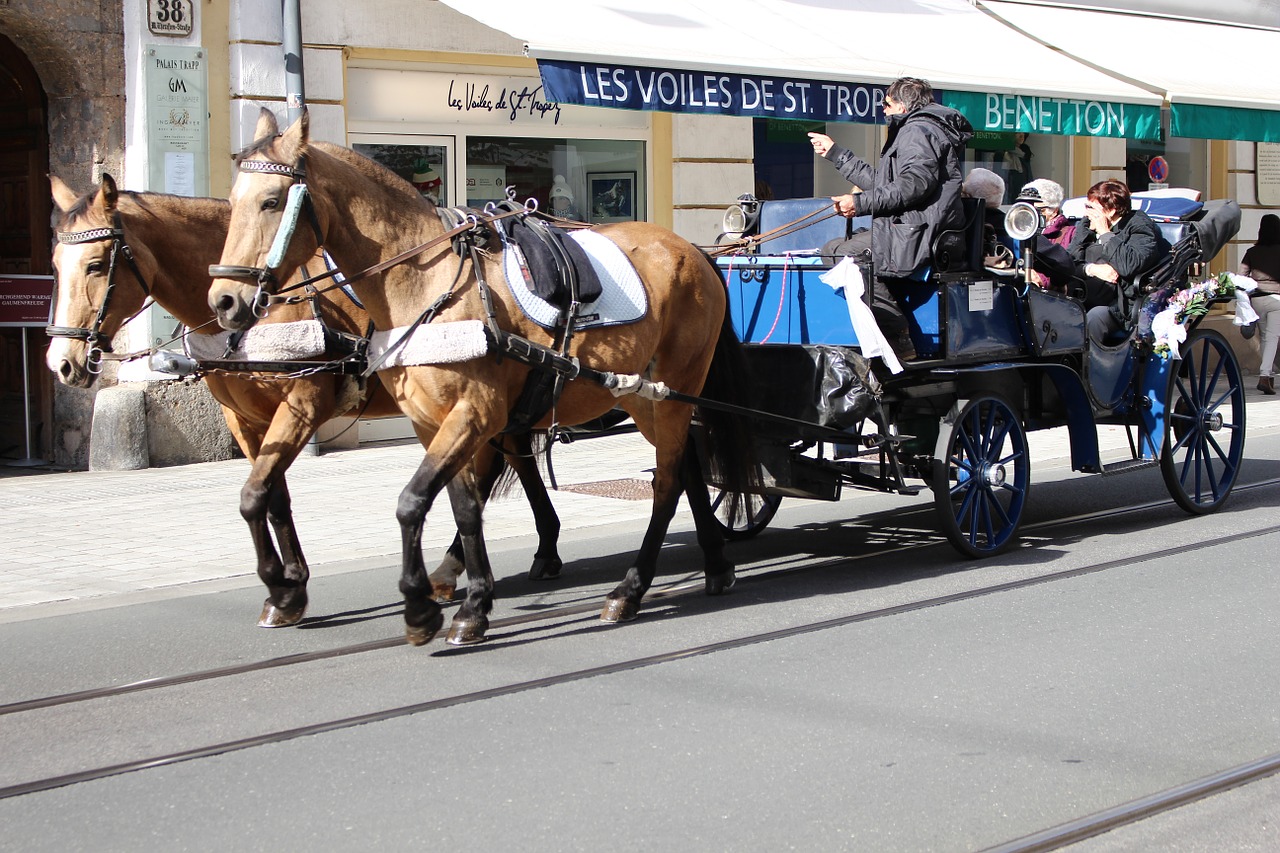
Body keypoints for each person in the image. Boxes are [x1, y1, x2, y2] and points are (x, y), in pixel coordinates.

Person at [808, 76, 973, 360]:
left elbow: (914, 185)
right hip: (911, 228)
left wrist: (858, 203)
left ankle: (897, 334)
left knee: (845, 255)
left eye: (886, 103)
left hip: (918, 233)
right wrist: (836, 154)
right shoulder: (918, 130)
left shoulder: (917, 131)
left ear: (902, 105)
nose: (883, 109)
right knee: (834, 249)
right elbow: (883, 184)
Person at [1067, 179, 1169, 345]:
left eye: (1091, 208)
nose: (1087, 213)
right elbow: (1068, 262)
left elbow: (1129, 265)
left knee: (1092, 320)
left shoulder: (1138, 225)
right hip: (1083, 296)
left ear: (1111, 210)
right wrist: (1091, 269)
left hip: (1119, 307)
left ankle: (1091, 369)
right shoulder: (1086, 226)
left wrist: (1105, 233)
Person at [1241, 213, 1280, 394]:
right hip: (1277, 299)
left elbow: (1241, 277)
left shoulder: (1252, 252)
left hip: (1257, 299)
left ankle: (1269, 375)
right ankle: (1265, 375)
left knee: (1265, 337)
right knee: (1272, 338)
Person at [1018, 178, 1075, 250]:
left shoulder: (1071, 234)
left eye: (1036, 210)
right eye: (1024, 209)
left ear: (1054, 211)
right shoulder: (1015, 230)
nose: (1029, 214)